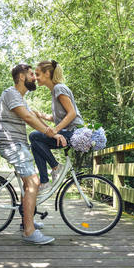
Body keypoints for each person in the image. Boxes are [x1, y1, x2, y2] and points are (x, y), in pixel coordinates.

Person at [0, 63, 67, 245]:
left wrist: (51, 130)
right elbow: (28, 118)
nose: (35, 77)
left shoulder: (19, 97)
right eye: (31, 74)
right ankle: (29, 232)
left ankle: (25, 222)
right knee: (33, 182)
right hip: (12, 144)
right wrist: (51, 133)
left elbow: (33, 117)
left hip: (18, 144)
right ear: (22, 77)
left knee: (26, 184)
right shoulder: (11, 93)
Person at [29, 60, 84, 192]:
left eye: (37, 74)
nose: (35, 78)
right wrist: (41, 115)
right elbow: (59, 118)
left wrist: (55, 130)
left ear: (47, 73)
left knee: (34, 136)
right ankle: (44, 181)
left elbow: (72, 114)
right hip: (67, 130)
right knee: (35, 143)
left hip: (73, 132)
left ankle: (55, 167)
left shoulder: (59, 88)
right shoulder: (55, 90)